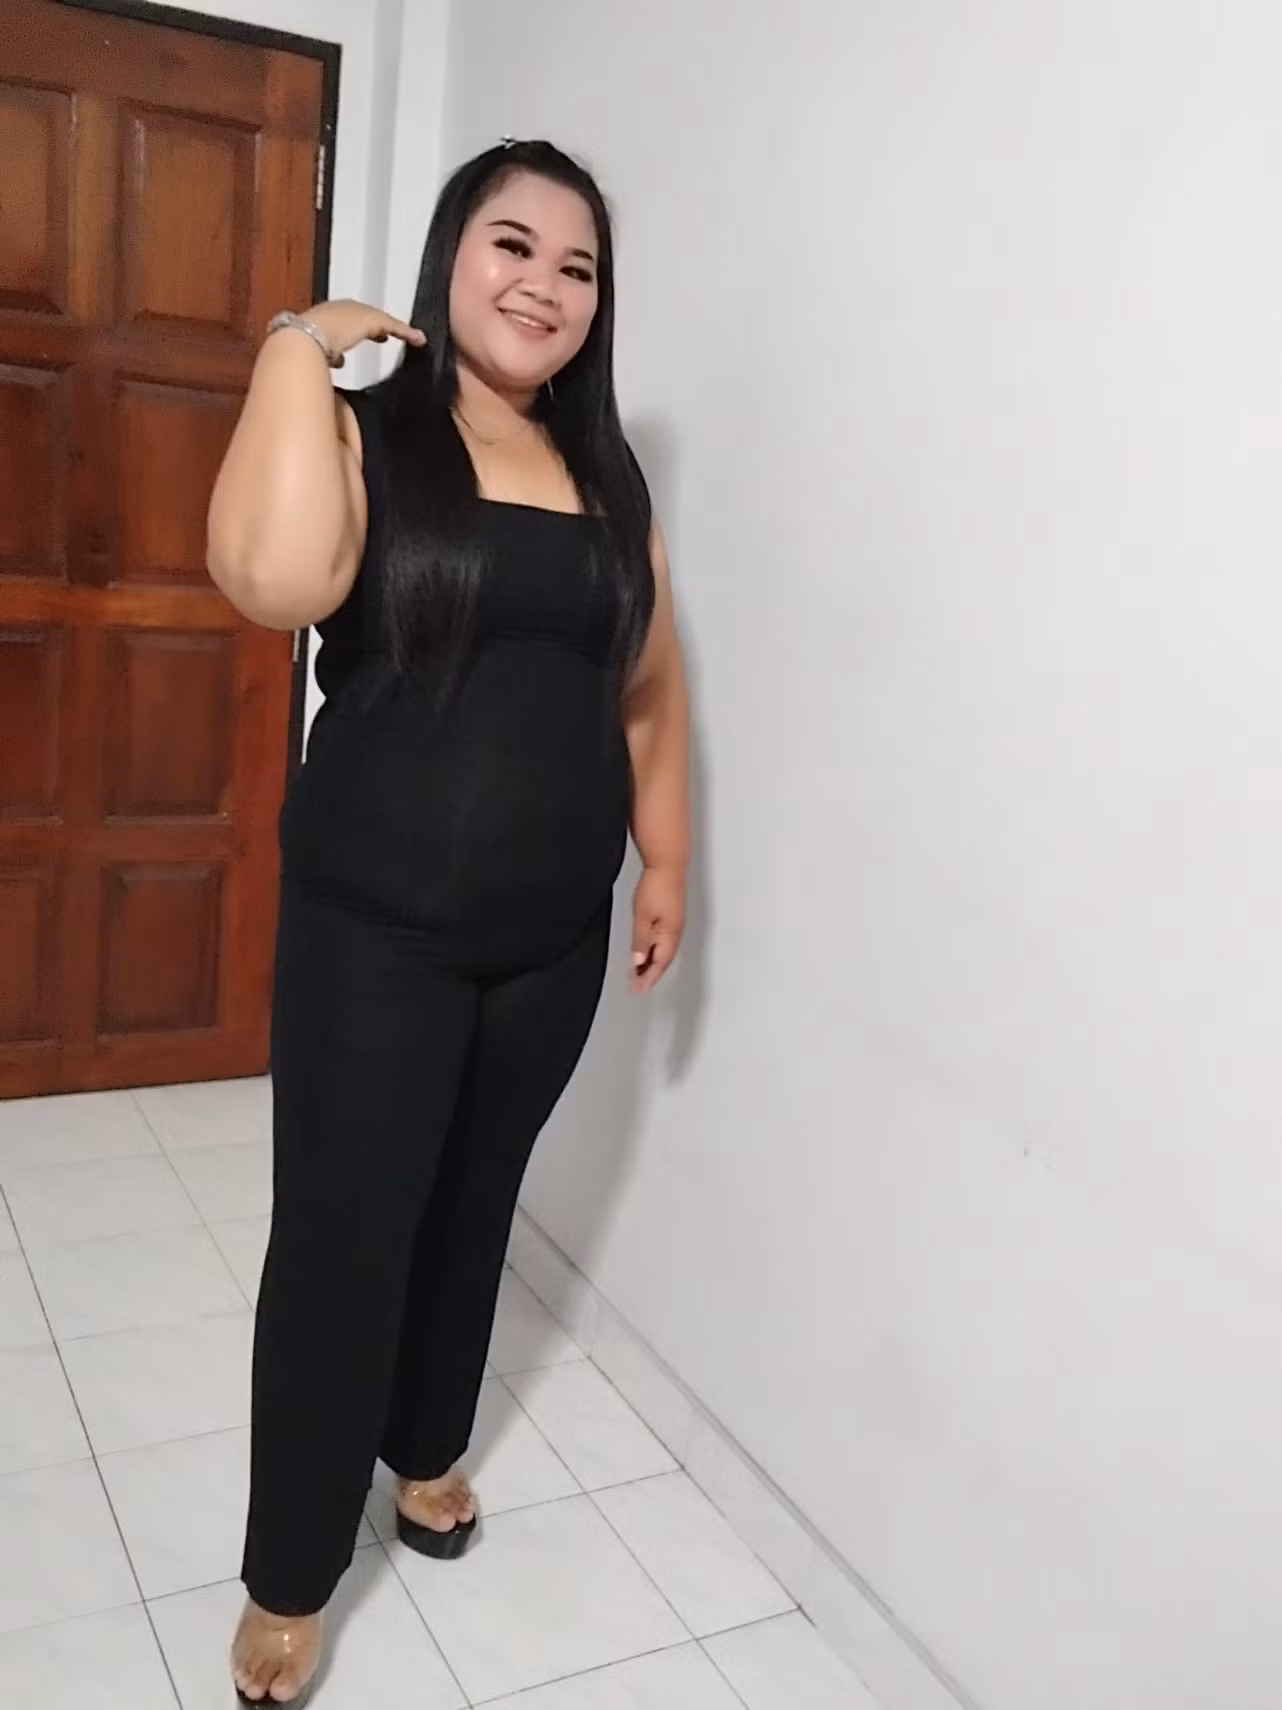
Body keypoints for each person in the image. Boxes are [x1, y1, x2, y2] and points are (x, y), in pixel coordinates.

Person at [205, 139, 692, 1705]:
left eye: (578, 265)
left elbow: (647, 688)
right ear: (447, 255)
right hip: (376, 937)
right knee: (344, 1237)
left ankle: (423, 1448)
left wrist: (666, 858)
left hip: (548, 939)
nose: (544, 283)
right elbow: (269, 578)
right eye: (512, 244)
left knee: (473, 1209)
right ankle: (289, 1576)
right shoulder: (370, 436)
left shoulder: (606, 479)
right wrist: (294, 351)